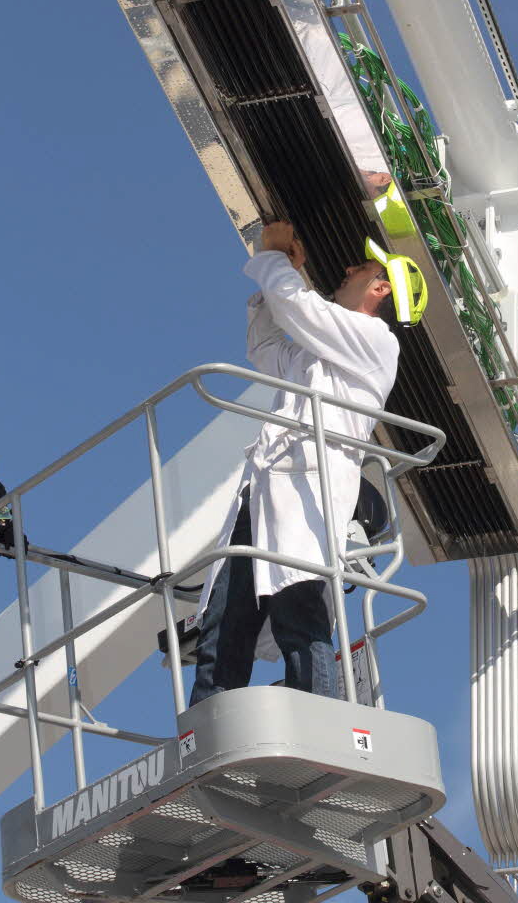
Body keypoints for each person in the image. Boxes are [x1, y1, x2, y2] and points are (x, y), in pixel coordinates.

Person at [190, 221, 416, 704]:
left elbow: (299, 307)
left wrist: (274, 258)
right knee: (224, 620)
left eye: (363, 267)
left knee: (298, 609)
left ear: (380, 289)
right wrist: (275, 284)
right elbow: (266, 348)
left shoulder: (376, 340)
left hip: (308, 493)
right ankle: (206, 727)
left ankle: (316, 714)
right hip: (265, 490)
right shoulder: (319, 353)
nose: (348, 268)